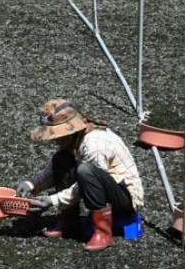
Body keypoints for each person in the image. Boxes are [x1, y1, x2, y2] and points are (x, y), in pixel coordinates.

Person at [15, 98, 144, 251]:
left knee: (85, 171)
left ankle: (103, 232)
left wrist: (53, 200)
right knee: (61, 159)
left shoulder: (94, 144)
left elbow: (85, 183)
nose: (54, 140)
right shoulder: (74, 140)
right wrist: (31, 184)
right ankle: (69, 221)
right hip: (102, 185)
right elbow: (53, 170)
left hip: (125, 198)